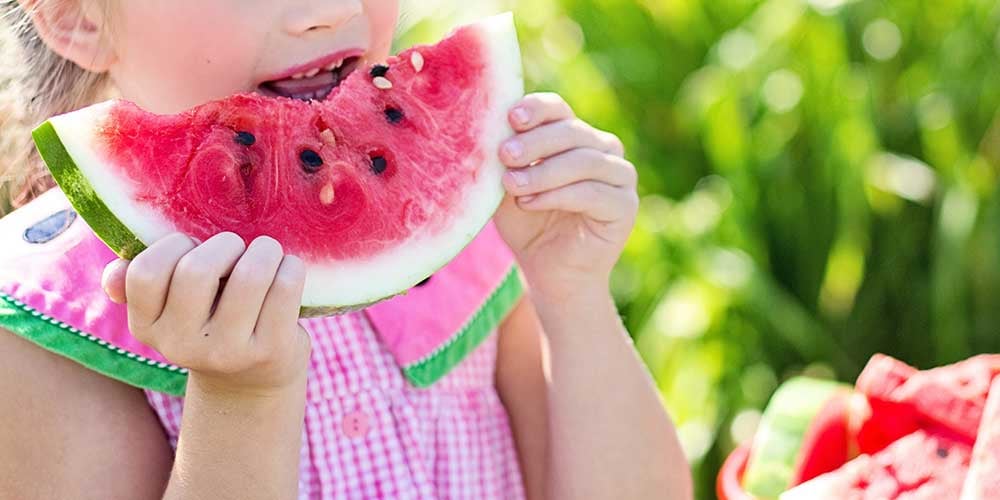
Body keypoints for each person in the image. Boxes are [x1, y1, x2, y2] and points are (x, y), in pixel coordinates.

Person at [0, 1, 691, 499]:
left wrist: (574, 297)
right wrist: (241, 400)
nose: (329, 11)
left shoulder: (469, 239)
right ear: (77, 17)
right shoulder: (41, 332)